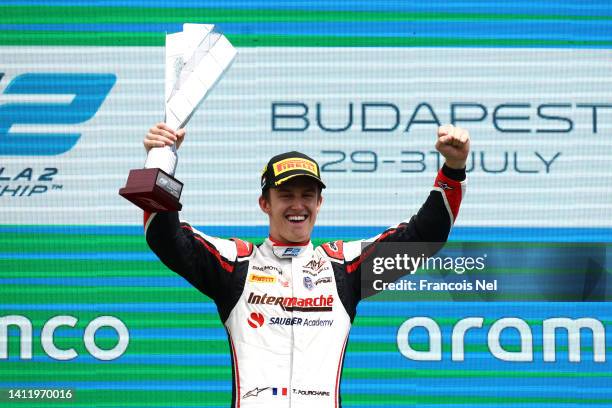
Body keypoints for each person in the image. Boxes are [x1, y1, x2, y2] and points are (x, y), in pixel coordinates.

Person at [142, 122, 469, 408]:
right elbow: (163, 235)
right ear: (264, 203)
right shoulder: (235, 264)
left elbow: (422, 238)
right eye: (285, 195)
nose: (298, 206)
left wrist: (453, 168)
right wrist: (161, 161)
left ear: (319, 203)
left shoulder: (344, 268)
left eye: (307, 195)